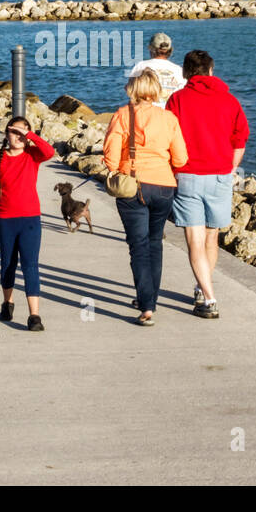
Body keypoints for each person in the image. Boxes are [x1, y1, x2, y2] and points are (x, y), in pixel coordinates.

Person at [166, 50, 249, 319]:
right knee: (212, 236)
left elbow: (170, 137)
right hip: (220, 176)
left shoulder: (177, 99)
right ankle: (203, 290)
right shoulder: (230, 100)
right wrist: (231, 169)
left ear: (185, 73)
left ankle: (209, 298)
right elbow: (240, 139)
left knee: (195, 240)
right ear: (211, 71)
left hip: (187, 176)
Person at [103, 69, 188, 325]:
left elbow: (110, 157)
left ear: (132, 89)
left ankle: (146, 304)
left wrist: (119, 168)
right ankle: (150, 298)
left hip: (134, 185)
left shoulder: (122, 115)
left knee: (138, 246)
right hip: (164, 186)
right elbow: (181, 158)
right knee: (155, 243)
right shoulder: (169, 118)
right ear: (155, 90)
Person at [0, 116, 55, 332]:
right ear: (6, 134)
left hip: (30, 218)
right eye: (13, 132)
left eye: (22, 133)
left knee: (30, 265)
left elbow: (49, 151)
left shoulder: (32, 155)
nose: (17, 137)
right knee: (8, 263)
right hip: (5, 218)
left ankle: (34, 315)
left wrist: (29, 135)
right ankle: (7, 302)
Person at [127, 32, 186, 107]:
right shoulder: (179, 70)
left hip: (145, 114)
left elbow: (130, 90)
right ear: (170, 50)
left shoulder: (141, 66)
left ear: (151, 49)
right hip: (171, 114)